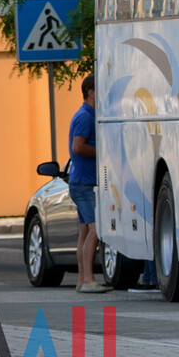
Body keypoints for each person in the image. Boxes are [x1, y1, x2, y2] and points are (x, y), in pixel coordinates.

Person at [68, 74, 111, 293]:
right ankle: (88, 281)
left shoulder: (85, 114)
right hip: (85, 183)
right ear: (91, 91)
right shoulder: (86, 116)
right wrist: (103, 152)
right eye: (100, 88)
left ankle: (82, 280)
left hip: (80, 181)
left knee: (85, 231)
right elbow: (78, 147)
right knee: (95, 229)